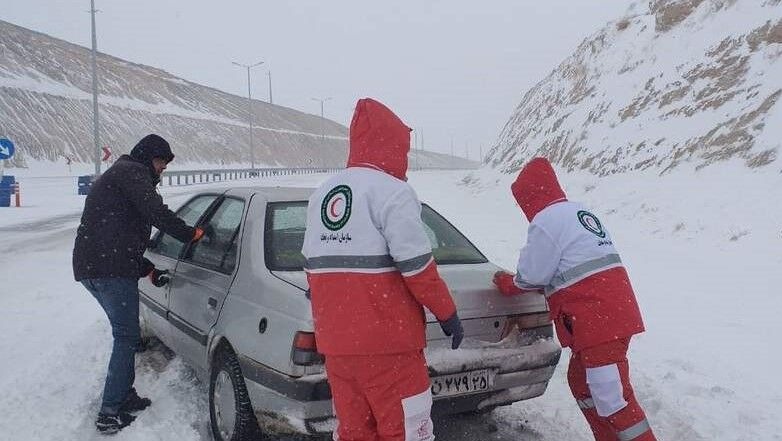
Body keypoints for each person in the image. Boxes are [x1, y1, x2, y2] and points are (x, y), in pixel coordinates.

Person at [302, 98, 463, 441]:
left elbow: (312, 268)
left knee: (355, 432)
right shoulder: (392, 192)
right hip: (389, 347)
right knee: (406, 432)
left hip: (338, 349)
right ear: (393, 145)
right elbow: (418, 268)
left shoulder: (323, 194)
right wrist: (447, 313)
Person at [493, 157, 656, 441]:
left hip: (597, 321)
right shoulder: (577, 212)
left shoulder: (547, 220)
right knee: (581, 383)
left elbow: (532, 274)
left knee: (611, 397)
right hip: (614, 314)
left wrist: (508, 284)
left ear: (529, 197)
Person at [73, 134, 205, 434]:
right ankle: (109, 413)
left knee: (127, 335)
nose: (162, 169)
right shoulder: (131, 173)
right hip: (108, 269)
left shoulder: (123, 175)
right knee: (126, 336)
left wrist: (146, 268)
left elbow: (118, 235)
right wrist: (190, 235)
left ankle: (123, 395)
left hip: (100, 265)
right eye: (161, 162)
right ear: (148, 157)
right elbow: (156, 212)